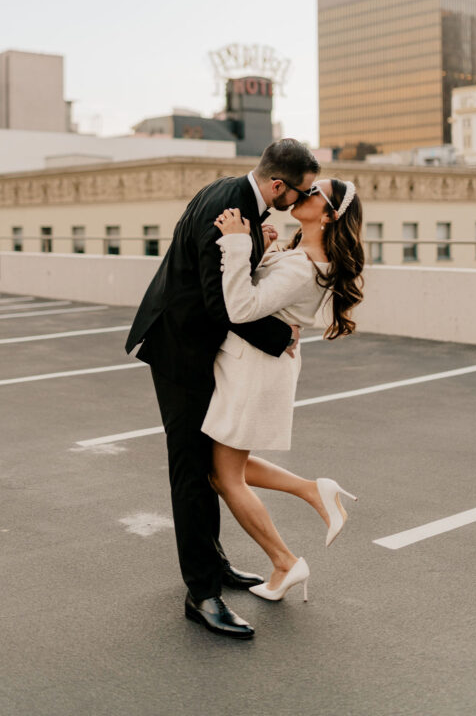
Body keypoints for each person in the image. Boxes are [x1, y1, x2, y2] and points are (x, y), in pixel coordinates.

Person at [125, 139, 320, 639]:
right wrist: (282, 335)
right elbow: (224, 305)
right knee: (192, 473)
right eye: (299, 191)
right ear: (278, 184)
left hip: (196, 348)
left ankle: (215, 566)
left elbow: (225, 278)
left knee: (211, 464)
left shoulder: (239, 199)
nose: (301, 200)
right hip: (181, 351)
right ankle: (202, 594)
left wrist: (258, 244)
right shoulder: (230, 206)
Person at [203, 177, 364, 603]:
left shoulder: (303, 264)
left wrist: (238, 244)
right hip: (254, 366)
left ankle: (285, 562)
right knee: (225, 466)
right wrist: (265, 246)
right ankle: (313, 490)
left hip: (253, 371)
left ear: (329, 215)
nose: (303, 194)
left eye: (315, 194)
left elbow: (241, 306)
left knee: (224, 476)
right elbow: (268, 294)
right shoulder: (303, 256)